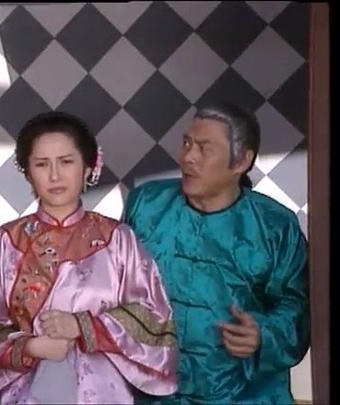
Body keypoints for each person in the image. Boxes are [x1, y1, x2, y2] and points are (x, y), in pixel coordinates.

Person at [0, 111, 178, 404]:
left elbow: (154, 319)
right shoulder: (6, 242)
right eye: (41, 164)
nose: (55, 175)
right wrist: (30, 348)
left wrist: (83, 326)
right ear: (28, 173)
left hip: (103, 394)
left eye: (66, 162)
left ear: (89, 167)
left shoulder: (117, 239)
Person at [124, 102, 309, 404]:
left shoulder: (274, 226)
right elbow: (115, 282)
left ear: (241, 161)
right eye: (187, 143)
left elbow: (296, 305)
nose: (188, 157)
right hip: (154, 391)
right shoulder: (146, 204)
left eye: (204, 148)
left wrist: (262, 334)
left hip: (242, 394)